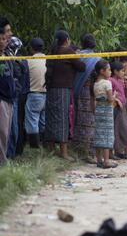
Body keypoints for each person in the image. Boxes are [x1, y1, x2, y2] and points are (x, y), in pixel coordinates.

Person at [45, 30, 86, 161]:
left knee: (51, 118)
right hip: (63, 89)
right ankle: (63, 152)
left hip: (51, 88)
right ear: (67, 40)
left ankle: (51, 149)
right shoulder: (68, 51)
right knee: (63, 119)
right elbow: (81, 67)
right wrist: (79, 56)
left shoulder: (53, 52)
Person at [72, 34, 101, 163]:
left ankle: (79, 150)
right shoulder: (96, 59)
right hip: (90, 93)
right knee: (89, 122)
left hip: (77, 91)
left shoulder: (77, 56)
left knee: (78, 120)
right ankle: (88, 153)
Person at [92, 60, 117, 169]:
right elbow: (110, 99)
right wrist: (115, 96)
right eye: (109, 70)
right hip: (106, 110)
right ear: (102, 71)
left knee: (99, 134)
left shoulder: (95, 84)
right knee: (107, 134)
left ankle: (99, 160)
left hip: (98, 110)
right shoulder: (107, 83)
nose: (110, 72)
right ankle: (106, 161)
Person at [25, 38, 47, 148]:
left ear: (31, 48)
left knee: (32, 120)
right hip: (46, 94)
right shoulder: (48, 59)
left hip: (34, 93)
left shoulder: (28, 61)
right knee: (43, 121)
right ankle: (44, 143)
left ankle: (34, 146)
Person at [0, 27, 15, 165]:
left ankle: (3, 161)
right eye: (3, 38)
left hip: (9, 98)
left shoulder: (7, 54)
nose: (6, 40)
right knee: (2, 132)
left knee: (6, 133)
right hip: (2, 99)